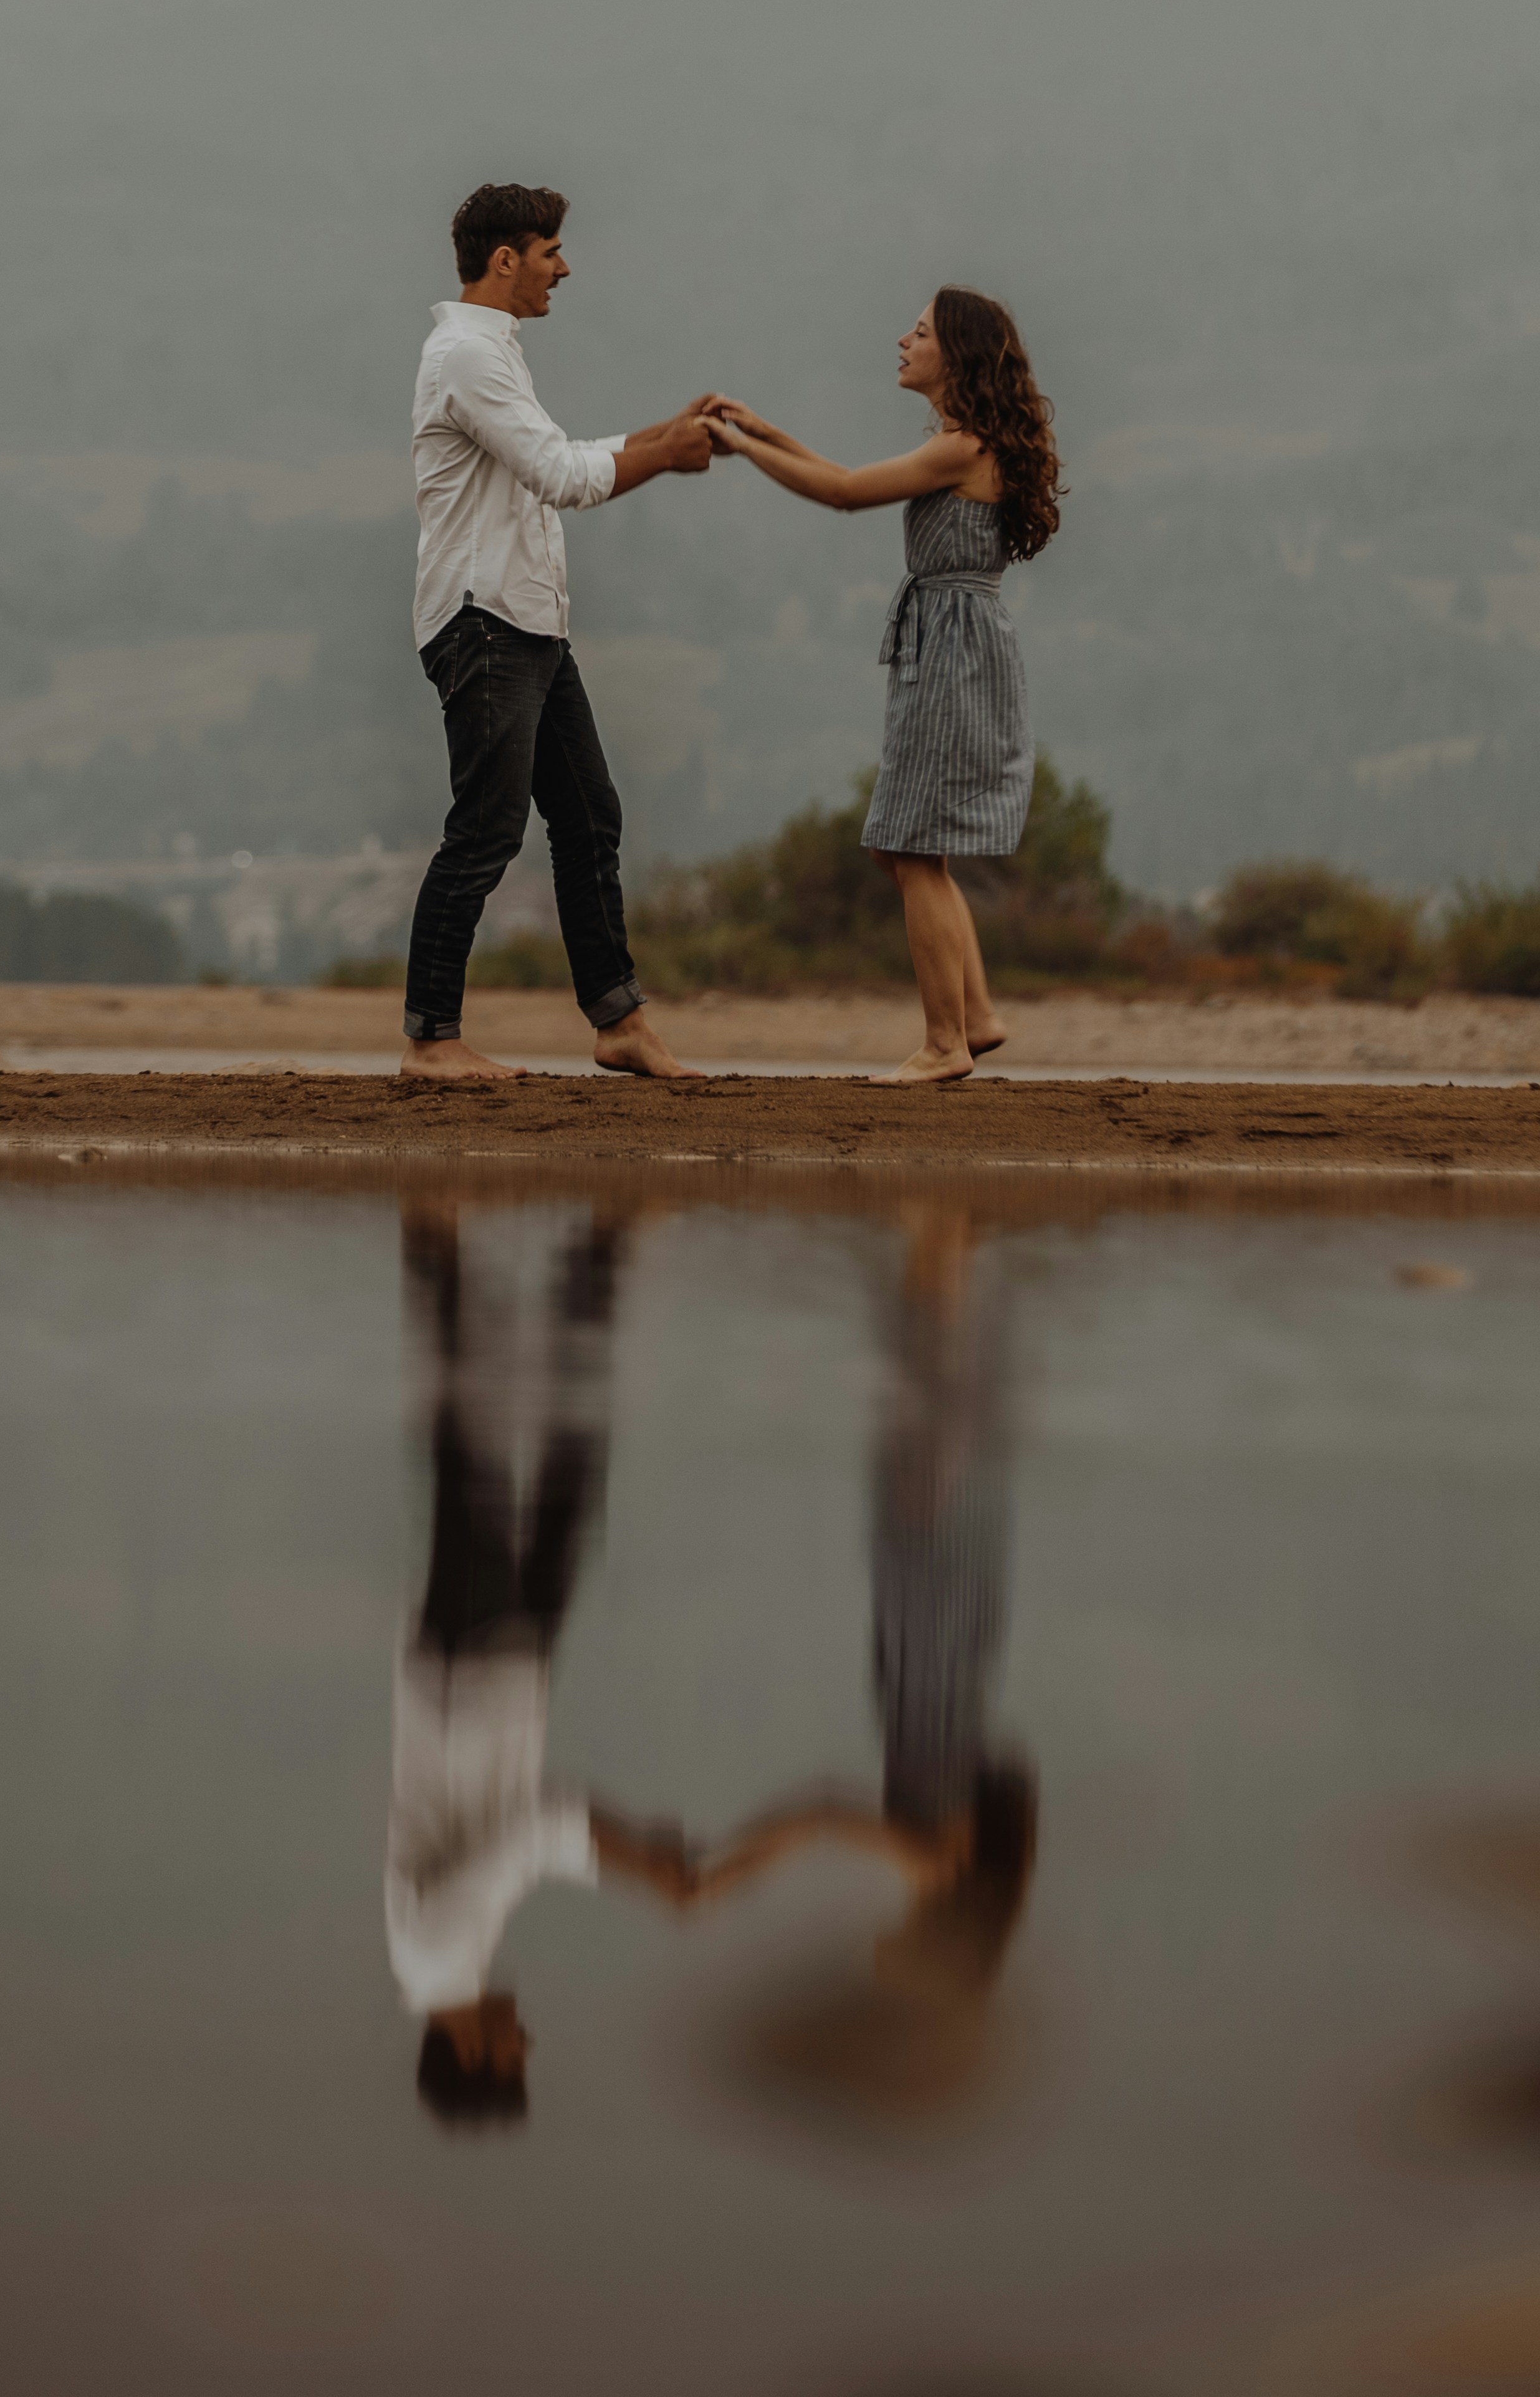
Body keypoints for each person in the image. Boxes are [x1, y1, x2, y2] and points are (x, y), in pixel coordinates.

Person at [682, 1205, 1038, 2127]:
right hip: (931, 1575)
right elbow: (822, 1816)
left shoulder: (951, 1835)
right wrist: (731, 1869)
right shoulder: (936, 1853)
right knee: (936, 1390)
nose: (885, 1956)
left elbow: (832, 1815)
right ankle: (945, 1225)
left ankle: (944, 1232)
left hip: (944, 1575)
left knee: (942, 1394)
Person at [388, 1203, 696, 2128]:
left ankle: (438, 1244)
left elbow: (523, 1838)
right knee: (571, 1467)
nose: (529, 2040)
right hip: (507, 1673)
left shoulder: (435, 1958)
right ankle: (593, 1259)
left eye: (515, 2057)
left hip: (467, 1669)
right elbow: (525, 1837)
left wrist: (639, 1862)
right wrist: (635, 1853)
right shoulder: (456, 1961)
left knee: (473, 1452)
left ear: (473, 2053)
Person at [704, 289, 1062, 1082]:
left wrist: (736, 443)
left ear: (955, 356)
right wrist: (759, 430)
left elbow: (840, 494)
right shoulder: (962, 445)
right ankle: (977, 1015)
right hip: (952, 642)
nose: (903, 340)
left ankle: (945, 1044)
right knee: (905, 847)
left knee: (909, 847)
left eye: (921, 332)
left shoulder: (964, 447)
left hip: (951, 651)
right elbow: (842, 474)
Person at [404, 183, 715, 1084]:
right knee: (488, 830)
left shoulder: (489, 351)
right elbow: (562, 475)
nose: (564, 269)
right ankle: (430, 1040)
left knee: (588, 819)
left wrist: (670, 430)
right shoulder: (467, 354)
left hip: (529, 623)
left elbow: (556, 453)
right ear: (506, 260)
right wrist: (666, 455)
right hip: (484, 621)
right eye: (551, 253)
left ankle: (620, 1024)